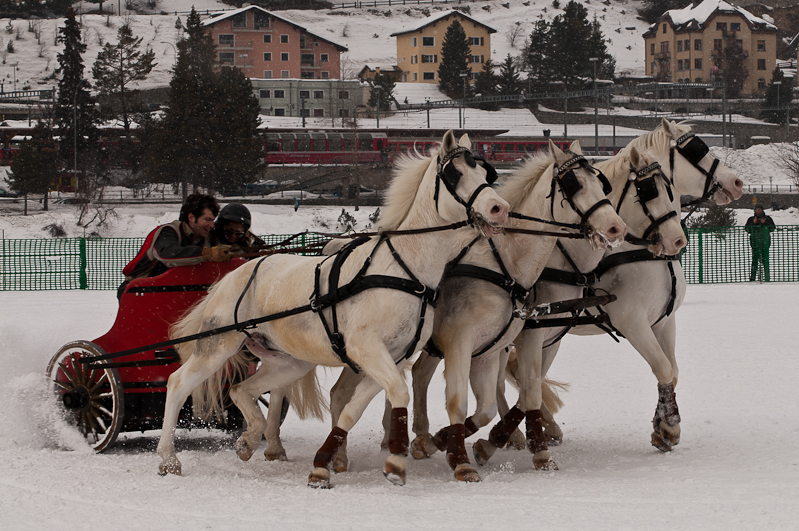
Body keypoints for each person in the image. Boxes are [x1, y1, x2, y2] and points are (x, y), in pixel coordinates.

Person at [118, 194, 232, 300]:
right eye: (207, 219)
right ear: (191, 218)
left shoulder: (205, 237)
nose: (211, 225)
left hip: (170, 292)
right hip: (138, 292)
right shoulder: (168, 232)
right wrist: (208, 253)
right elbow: (167, 254)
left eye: (213, 220)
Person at [745, 204, 776, 282]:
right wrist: (753, 223)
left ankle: (766, 277)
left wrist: (765, 223)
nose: (758, 211)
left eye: (760, 209)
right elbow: (747, 229)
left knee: (765, 259)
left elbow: (772, 228)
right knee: (755, 259)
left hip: (765, 242)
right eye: (757, 209)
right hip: (754, 241)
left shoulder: (768, 218)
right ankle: (752, 278)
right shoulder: (751, 219)